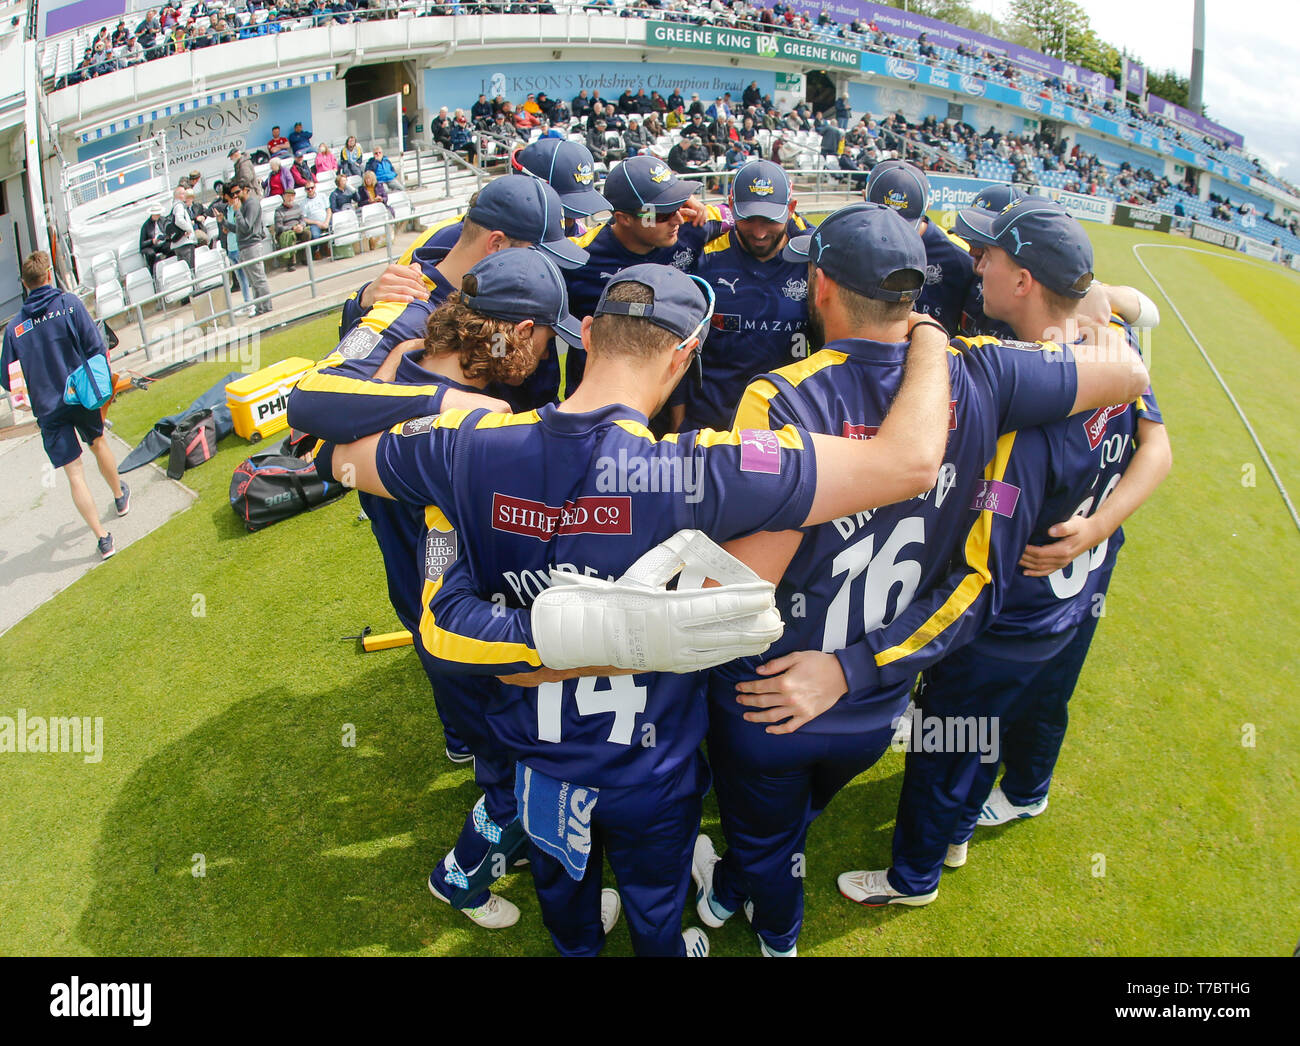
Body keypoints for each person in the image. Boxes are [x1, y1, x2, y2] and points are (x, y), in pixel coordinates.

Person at [320, 262, 958, 956]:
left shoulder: (469, 448)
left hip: (541, 762)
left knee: (570, 916)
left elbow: (335, 449)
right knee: (658, 910)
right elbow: (911, 462)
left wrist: (438, 402)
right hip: (652, 768)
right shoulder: (702, 469)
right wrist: (928, 334)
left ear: (588, 333)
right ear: (686, 355)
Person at [691, 202, 1151, 956]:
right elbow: (1129, 369)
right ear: (914, 296)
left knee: (764, 831)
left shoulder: (779, 397)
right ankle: (744, 880)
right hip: (878, 695)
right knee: (793, 815)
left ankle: (771, 928)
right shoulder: (986, 368)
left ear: (822, 287)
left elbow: (731, 590)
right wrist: (941, 336)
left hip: (774, 688)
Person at [837, 198, 1170, 907]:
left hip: (1011, 620)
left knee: (945, 743)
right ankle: (990, 813)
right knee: (1013, 724)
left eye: (991, 255)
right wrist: (1101, 527)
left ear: (1025, 282)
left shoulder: (1025, 413)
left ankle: (913, 876)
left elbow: (981, 574)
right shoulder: (1114, 345)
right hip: (1075, 604)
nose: (975, 263)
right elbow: (1157, 448)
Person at [290, 250, 578, 928]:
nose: (543, 358)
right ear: (520, 334)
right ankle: (463, 877)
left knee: (503, 761)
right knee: (517, 772)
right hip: (468, 628)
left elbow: (325, 446)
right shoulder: (468, 424)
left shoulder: (389, 375)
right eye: (544, 339)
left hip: (435, 620)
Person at [563, 155, 731, 395]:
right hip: (602, 400)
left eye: (678, 205)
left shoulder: (692, 225)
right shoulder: (578, 256)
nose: (677, 218)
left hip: (676, 399)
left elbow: (752, 216)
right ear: (623, 218)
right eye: (662, 214)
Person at [1, 251, 130, 560]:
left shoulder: (14, 329)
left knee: (74, 473)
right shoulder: (69, 304)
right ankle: (119, 497)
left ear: (25, 283)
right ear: (49, 275)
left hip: (47, 408)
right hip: (81, 395)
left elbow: (8, 381)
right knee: (99, 443)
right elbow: (96, 347)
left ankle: (103, 538)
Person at [685, 162, 812, 432]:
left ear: (791, 208)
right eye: (748, 218)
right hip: (710, 428)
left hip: (785, 427)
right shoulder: (703, 255)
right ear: (730, 205)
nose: (759, 232)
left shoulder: (813, 259)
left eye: (769, 220)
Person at [866, 160, 975, 336]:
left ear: (927, 208)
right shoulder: (845, 244)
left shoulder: (961, 261)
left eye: (905, 225)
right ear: (864, 198)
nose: (894, 235)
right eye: (882, 224)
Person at [233, 179, 272, 314]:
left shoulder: (251, 204)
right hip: (245, 246)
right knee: (253, 281)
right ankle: (260, 307)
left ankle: (266, 308)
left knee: (258, 279)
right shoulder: (244, 205)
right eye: (233, 194)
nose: (235, 196)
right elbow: (240, 229)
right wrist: (225, 223)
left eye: (238, 192)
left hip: (252, 246)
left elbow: (246, 227)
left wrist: (237, 212)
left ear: (246, 190)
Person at [218, 185, 253, 315]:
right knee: (241, 278)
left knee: (248, 275)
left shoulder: (239, 208)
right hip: (231, 247)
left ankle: (253, 303)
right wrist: (225, 225)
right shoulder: (227, 209)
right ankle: (247, 302)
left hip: (239, 246)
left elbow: (239, 227)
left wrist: (226, 224)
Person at [299, 182, 332, 259]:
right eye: (308, 189)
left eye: (312, 187)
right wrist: (317, 223)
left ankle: (329, 247)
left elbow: (329, 210)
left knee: (335, 228)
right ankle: (316, 251)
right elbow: (304, 219)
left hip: (326, 220)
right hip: (314, 223)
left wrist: (326, 221)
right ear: (305, 190)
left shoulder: (322, 196)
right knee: (315, 235)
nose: (310, 190)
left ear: (315, 187)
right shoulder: (303, 203)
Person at [168, 186, 197, 271]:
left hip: (177, 244)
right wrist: (189, 229)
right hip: (185, 243)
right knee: (190, 269)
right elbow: (179, 220)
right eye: (183, 193)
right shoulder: (179, 206)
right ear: (179, 195)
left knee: (184, 271)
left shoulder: (173, 207)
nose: (185, 195)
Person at [139, 203, 171, 276]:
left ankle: (169, 267)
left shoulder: (163, 219)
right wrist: (152, 241)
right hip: (152, 246)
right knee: (150, 254)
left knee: (171, 247)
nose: (158, 215)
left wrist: (166, 236)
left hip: (163, 243)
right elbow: (142, 244)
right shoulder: (146, 226)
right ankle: (153, 272)